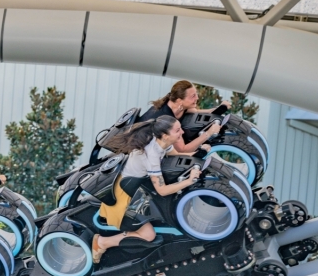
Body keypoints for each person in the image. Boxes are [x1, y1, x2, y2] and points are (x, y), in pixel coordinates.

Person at [92, 116, 202, 263]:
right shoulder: (151, 155)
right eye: (177, 130)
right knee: (149, 235)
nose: (182, 132)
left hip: (136, 190)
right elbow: (162, 190)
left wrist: (199, 155)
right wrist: (189, 180)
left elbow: (174, 154)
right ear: (165, 135)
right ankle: (102, 243)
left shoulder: (161, 142)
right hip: (123, 197)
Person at [137, 80, 228, 154]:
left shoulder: (176, 104)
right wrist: (208, 133)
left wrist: (217, 108)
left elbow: (195, 111)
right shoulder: (167, 119)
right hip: (141, 151)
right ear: (180, 101)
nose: (197, 98)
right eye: (193, 96)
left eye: (196, 94)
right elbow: (182, 149)